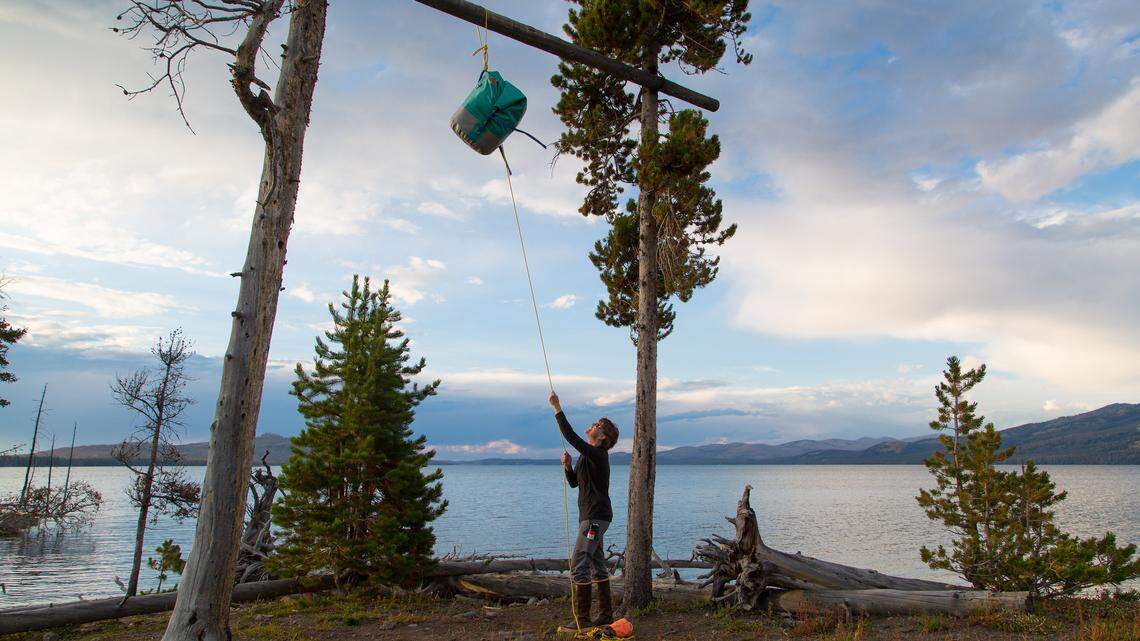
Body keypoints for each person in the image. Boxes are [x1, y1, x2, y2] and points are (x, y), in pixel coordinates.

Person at [549, 391, 620, 628]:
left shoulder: (598, 454)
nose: (593, 425)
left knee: (579, 563)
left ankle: (582, 620)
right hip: (595, 519)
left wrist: (557, 407)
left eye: (599, 425)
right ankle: (605, 616)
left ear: (603, 438)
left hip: (594, 520)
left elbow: (570, 435)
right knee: (597, 564)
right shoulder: (586, 458)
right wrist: (568, 467)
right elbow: (574, 484)